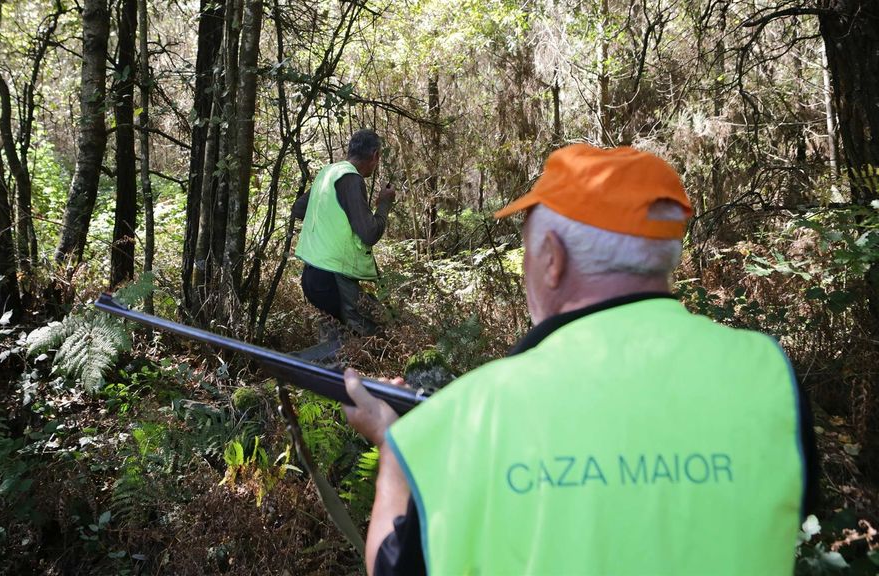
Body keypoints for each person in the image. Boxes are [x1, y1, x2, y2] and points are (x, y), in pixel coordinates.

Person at [339, 144, 819, 575]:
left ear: (552, 256)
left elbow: (392, 566)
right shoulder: (768, 374)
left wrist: (396, 453)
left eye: (526, 247)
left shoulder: (476, 412)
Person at [293, 129, 395, 339]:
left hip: (312, 276)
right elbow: (369, 233)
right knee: (370, 335)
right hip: (333, 279)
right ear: (375, 155)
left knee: (334, 342)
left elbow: (299, 208)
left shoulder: (328, 173)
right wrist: (384, 205)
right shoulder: (350, 178)